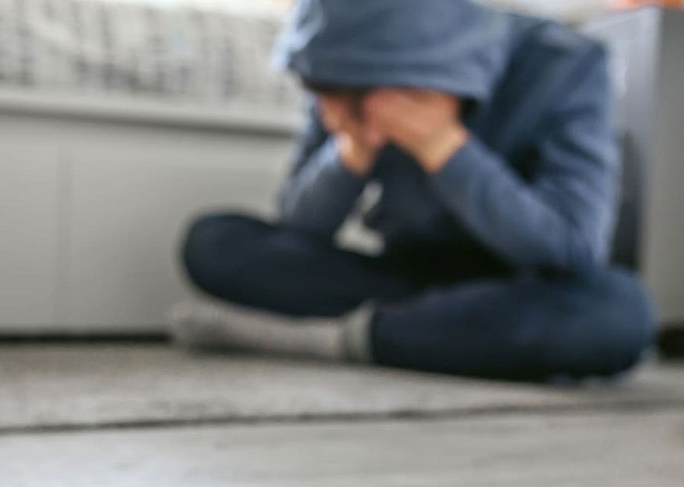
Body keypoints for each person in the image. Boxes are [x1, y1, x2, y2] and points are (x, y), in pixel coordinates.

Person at [171, 0, 655, 381]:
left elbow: (572, 247)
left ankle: (336, 339)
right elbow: (298, 229)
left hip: (520, 287)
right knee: (213, 241)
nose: (337, 113)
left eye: (357, 100)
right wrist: (350, 151)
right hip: (402, 279)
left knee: (617, 314)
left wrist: (444, 147)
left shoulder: (566, 65)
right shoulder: (337, 68)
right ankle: (412, 334)